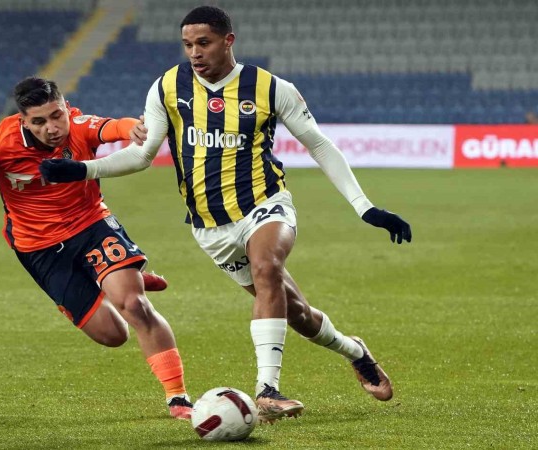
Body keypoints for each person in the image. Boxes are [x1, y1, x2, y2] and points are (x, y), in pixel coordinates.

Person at [40, 6, 412, 424]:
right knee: (298, 314)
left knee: (267, 266)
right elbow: (142, 155)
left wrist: (365, 207)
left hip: (265, 203)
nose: (194, 53)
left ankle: (267, 390)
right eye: (187, 44)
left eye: (204, 43)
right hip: (210, 227)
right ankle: (354, 350)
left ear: (228, 40)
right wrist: (82, 169)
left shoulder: (270, 88)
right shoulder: (167, 87)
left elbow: (320, 145)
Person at [0, 77, 192, 420]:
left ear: (65, 107)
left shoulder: (79, 126)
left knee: (134, 305)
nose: (52, 128)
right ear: (24, 121)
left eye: (57, 116)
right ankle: (113, 276)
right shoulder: (0, 145)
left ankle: (177, 397)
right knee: (113, 335)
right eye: (39, 121)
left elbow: (115, 127)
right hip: (39, 250)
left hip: (91, 226)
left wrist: (135, 129)